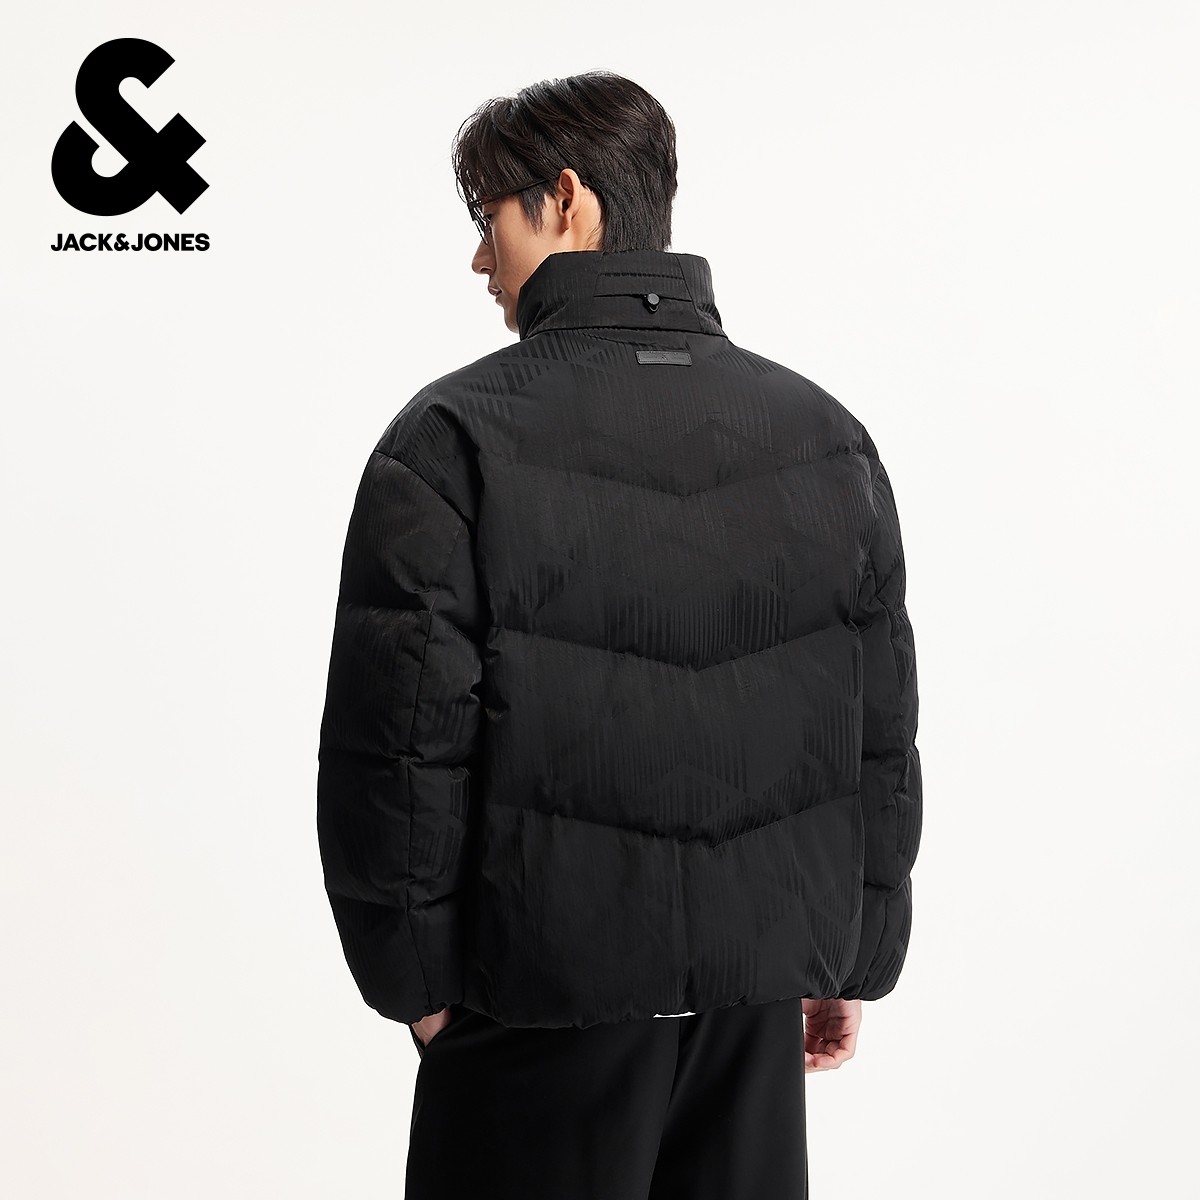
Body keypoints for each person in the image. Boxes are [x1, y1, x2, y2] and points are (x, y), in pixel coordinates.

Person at [316, 69, 922, 1200]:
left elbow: (398, 748)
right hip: (751, 1012)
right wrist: (847, 956)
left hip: (532, 1013)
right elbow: (875, 730)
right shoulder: (825, 436)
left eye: (488, 218)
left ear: (565, 198)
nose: (480, 259)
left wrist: (419, 987)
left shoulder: (452, 440)